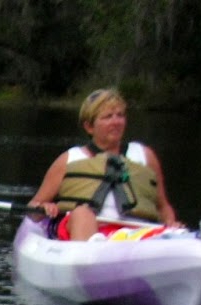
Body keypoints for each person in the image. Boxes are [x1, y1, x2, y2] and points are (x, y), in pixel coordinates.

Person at [27, 88, 178, 241]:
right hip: (86, 228)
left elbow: (163, 206)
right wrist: (43, 207)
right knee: (82, 213)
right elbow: (34, 206)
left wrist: (170, 223)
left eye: (120, 115)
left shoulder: (144, 155)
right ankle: (90, 249)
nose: (116, 122)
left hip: (134, 232)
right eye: (108, 117)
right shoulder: (69, 159)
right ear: (89, 127)